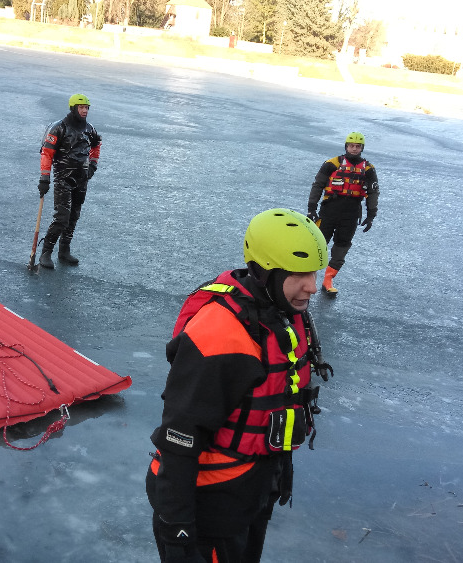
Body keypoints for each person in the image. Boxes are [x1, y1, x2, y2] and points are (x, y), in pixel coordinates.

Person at [146, 208, 329, 563]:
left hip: (249, 493)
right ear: (266, 273)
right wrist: (177, 532)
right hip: (207, 508)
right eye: (300, 274)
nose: (312, 286)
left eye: (315, 273)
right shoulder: (222, 336)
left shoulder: (280, 314)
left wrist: (278, 477)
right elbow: (179, 440)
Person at [306, 131, 380, 297]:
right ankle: (306, 278)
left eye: (357, 146)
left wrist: (371, 215)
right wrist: (312, 209)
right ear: (346, 146)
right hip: (329, 210)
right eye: (351, 146)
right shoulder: (331, 164)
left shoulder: (368, 169)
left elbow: (374, 192)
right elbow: (317, 185)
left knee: (341, 247)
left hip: (351, 214)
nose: (354, 149)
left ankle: (328, 280)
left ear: (362, 148)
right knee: (317, 244)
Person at [36, 94, 101, 269]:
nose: (85, 110)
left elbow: (96, 144)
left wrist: (93, 165)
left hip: (82, 179)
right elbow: (47, 153)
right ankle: (46, 252)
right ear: (73, 108)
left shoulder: (89, 129)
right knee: (62, 218)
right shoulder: (59, 128)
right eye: (81, 107)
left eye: (87, 107)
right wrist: (44, 178)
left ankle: (64, 250)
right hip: (63, 178)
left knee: (74, 216)